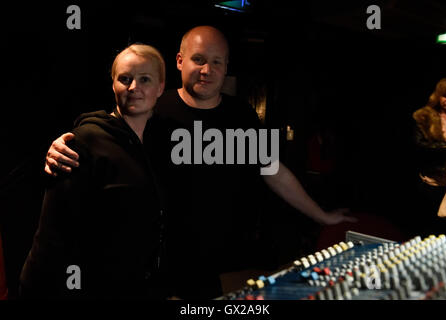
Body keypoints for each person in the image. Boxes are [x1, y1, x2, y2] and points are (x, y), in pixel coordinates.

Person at [43, 26, 355, 299]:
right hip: (159, 266)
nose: (207, 70)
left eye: (216, 62)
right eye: (199, 60)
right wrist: (65, 142)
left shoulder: (242, 115)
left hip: (222, 267)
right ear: (180, 61)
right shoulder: (156, 108)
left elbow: (272, 170)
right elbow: (106, 130)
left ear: (226, 66)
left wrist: (322, 216)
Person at [19, 44, 167, 299]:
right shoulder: (83, 141)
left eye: (145, 79)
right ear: (113, 84)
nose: (134, 88)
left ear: (160, 87)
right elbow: (52, 236)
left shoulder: (162, 140)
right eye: (125, 79)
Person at [412, 77, 446, 219]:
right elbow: (420, 145)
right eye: (445, 95)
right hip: (432, 182)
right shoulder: (424, 116)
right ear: (438, 95)